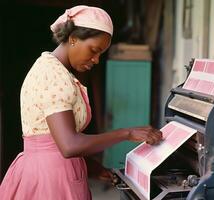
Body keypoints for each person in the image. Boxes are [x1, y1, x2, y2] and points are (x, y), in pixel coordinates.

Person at [0, 5, 162, 200]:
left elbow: (51, 139)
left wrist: (91, 167)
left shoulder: (57, 72)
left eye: (100, 54)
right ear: (73, 39)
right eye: (94, 50)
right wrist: (126, 133)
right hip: (50, 180)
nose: (96, 60)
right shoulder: (52, 75)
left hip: (54, 171)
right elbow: (69, 145)